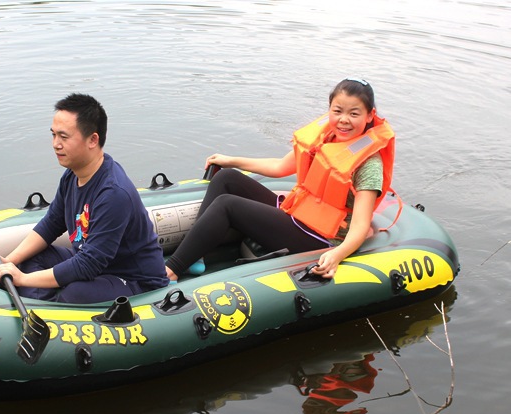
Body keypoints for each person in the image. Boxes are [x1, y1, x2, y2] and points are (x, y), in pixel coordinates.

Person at [165, 78, 395, 281]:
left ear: (369, 116)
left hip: (320, 237)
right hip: (298, 213)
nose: (344, 120)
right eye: (337, 111)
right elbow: (279, 167)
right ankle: (196, 255)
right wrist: (231, 160)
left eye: (354, 113)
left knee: (227, 205)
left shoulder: (368, 164)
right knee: (227, 178)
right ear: (329, 111)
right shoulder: (326, 139)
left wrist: (336, 255)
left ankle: (172, 269)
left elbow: (361, 225)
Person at [0, 93, 169, 303]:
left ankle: (46, 310)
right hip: (94, 266)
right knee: (32, 256)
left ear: (93, 140)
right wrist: (10, 261)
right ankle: (42, 307)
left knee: (76, 293)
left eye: (64, 137)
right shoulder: (72, 176)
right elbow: (51, 225)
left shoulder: (114, 192)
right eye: (53, 135)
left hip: (134, 280)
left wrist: (23, 280)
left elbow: (89, 264)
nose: (55, 144)